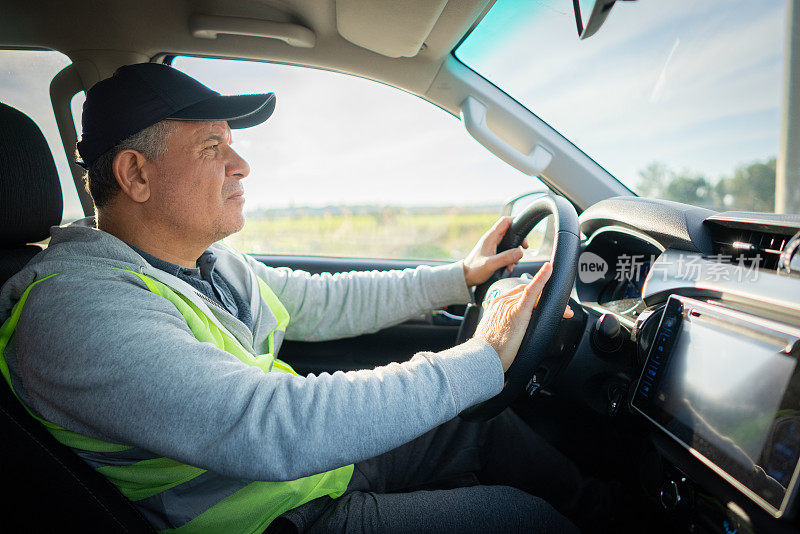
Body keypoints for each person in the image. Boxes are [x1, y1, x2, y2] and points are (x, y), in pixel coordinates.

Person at [0, 63, 584, 533]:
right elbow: (273, 426)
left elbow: (322, 301)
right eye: (212, 147)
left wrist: (460, 277)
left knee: (475, 426)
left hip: (306, 476)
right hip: (266, 515)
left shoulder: (207, 264)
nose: (242, 164)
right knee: (519, 518)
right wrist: (481, 357)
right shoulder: (76, 312)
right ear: (136, 175)